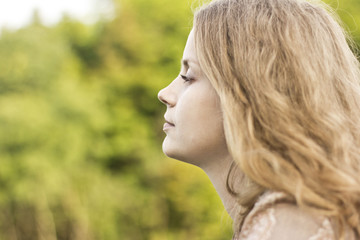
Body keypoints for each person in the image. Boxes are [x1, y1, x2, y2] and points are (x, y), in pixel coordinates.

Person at [157, 0, 360, 239]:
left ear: (250, 92)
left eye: (187, 76)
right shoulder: (305, 214)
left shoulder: (289, 226)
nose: (164, 94)